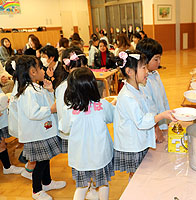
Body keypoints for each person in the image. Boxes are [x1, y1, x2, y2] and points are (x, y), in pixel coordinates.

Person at [113, 51, 176, 181]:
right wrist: (161, 116)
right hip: (132, 144)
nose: (147, 71)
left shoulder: (138, 89)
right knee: (136, 175)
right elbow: (141, 122)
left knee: (139, 173)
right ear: (130, 72)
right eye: (143, 68)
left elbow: (147, 109)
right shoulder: (127, 97)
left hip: (138, 140)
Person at [15, 55, 66, 200]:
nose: (43, 71)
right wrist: (50, 109)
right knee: (41, 162)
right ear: (32, 72)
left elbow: (49, 104)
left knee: (46, 158)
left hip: (42, 131)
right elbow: (34, 112)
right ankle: (36, 190)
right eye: (41, 68)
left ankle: (47, 182)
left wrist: (50, 91)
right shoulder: (28, 91)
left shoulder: (36, 88)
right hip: (36, 134)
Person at [61, 67, 115, 200]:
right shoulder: (101, 105)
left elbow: (64, 128)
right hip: (100, 155)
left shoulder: (69, 109)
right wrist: (112, 103)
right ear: (93, 86)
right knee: (103, 184)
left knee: (82, 187)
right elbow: (111, 116)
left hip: (80, 157)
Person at [5, 57, 35, 180]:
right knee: (34, 153)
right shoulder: (22, 88)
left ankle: (28, 165)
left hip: (22, 126)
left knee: (33, 151)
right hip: (24, 126)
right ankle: (28, 170)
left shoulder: (20, 85)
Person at [136, 38, 170, 143]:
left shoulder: (155, 74)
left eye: (160, 58)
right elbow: (149, 108)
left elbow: (162, 97)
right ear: (145, 60)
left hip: (161, 119)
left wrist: (166, 119)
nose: (159, 62)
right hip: (152, 125)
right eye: (156, 59)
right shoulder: (143, 82)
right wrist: (156, 129)